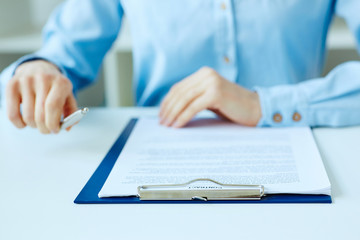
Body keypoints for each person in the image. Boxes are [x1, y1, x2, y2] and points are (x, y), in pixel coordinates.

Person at [1, 0, 360, 134]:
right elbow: (63, 54)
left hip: (292, 142)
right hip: (156, 149)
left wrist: (261, 104)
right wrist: (40, 67)